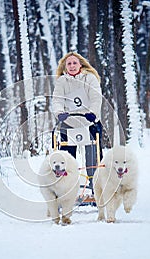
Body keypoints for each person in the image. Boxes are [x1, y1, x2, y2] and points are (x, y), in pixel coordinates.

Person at [52, 52, 103, 194]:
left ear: (80, 64)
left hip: (89, 121)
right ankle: (67, 190)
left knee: (93, 158)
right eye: (69, 63)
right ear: (65, 66)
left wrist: (93, 112)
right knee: (66, 160)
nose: (72, 66)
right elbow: (57, 100)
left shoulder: (90, 78)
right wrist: (59, 112)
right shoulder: (62, 81)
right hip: (69, 123)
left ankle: (96, 189)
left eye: (75, 63)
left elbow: (96, 98)